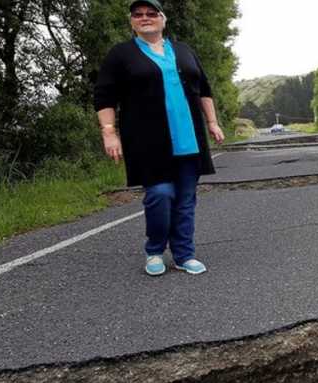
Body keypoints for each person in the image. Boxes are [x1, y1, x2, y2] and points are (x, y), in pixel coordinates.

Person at [94, 0, 225, 276]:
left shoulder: (183, 50)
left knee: (186, 199)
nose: (145, 18)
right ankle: (154, 250)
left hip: (189, 138)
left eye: (151, 13)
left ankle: (184, 254)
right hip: (146, 142)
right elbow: (104, 96)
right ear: (132, 22)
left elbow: (204, 88)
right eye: (138, 15)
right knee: (160, 194)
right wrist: (109, 133)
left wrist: (212, 122)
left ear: (163, 19)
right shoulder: (121, 55)